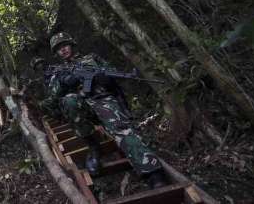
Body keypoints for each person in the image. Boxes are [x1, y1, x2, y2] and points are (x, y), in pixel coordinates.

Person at [32, 32, 167, 189]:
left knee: (123, 130)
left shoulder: (92, 58)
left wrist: (104, 77)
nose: (63, 50)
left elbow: (111, 72)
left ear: (72, 45)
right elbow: (53, 96)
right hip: (81, 108)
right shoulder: (58, 70)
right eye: (58, 48)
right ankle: (93, 146)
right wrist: (65, 82)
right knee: (69, 101)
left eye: (65, 45)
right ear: (56, 53)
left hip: (103, 100)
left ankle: (152, 172)